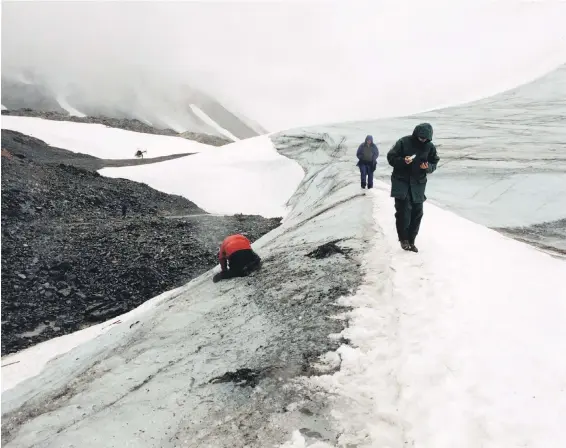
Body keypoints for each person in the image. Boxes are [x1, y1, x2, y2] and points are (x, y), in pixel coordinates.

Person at [386, 123, 440, 252]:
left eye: (425, 138)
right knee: (404, 211)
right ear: (416, 134)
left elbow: (434, 162)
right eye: (421, 137)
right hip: (401, 182)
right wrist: (403, 161)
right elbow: (391, 157)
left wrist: (427, 167)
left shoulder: (430, 147)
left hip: (418, 184)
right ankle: (404, 240)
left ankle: (412, 240)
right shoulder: (403, 142)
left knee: (417, 213)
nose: (423, 140)